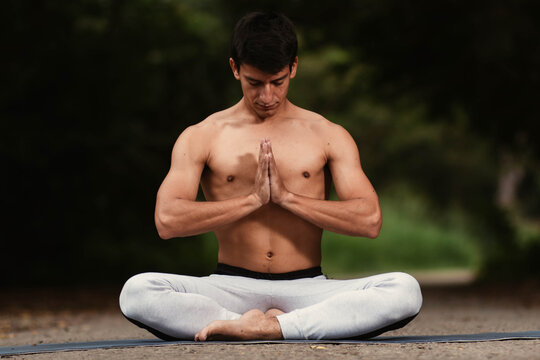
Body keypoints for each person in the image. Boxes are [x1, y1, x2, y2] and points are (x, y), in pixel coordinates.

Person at [119, 11, 422, 341]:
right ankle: (251, 321)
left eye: (277, 82)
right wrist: (252, 200)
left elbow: (369, 219)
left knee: (404, 290)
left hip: (306, 288)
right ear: (235, 68)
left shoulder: (327, 134)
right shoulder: (202, 135)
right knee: (136, 292)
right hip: (230, 286)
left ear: (293, 67)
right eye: (254, 83)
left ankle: (268, 327)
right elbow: (167, 219)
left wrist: (287, 198)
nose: (267, 96)